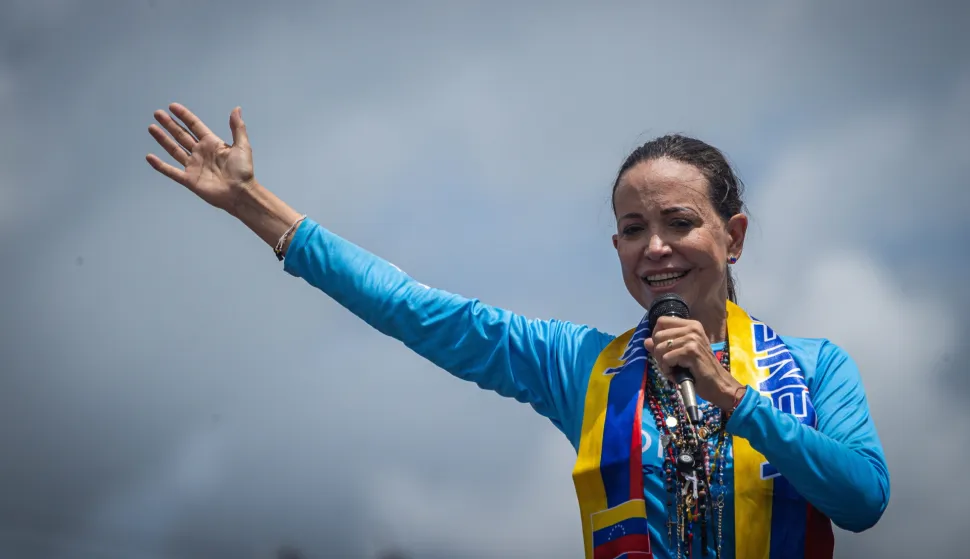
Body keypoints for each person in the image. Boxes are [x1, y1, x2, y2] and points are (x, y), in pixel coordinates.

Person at [146, 103, 890, 559]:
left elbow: (863, 502)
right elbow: (413, 306)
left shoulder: (815, 368)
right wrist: (253, 205)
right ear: (617, 249)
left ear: (734, 236)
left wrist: (732, 394)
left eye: (680, 223)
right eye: (633, 229)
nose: (654, 247)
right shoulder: (580, 367)